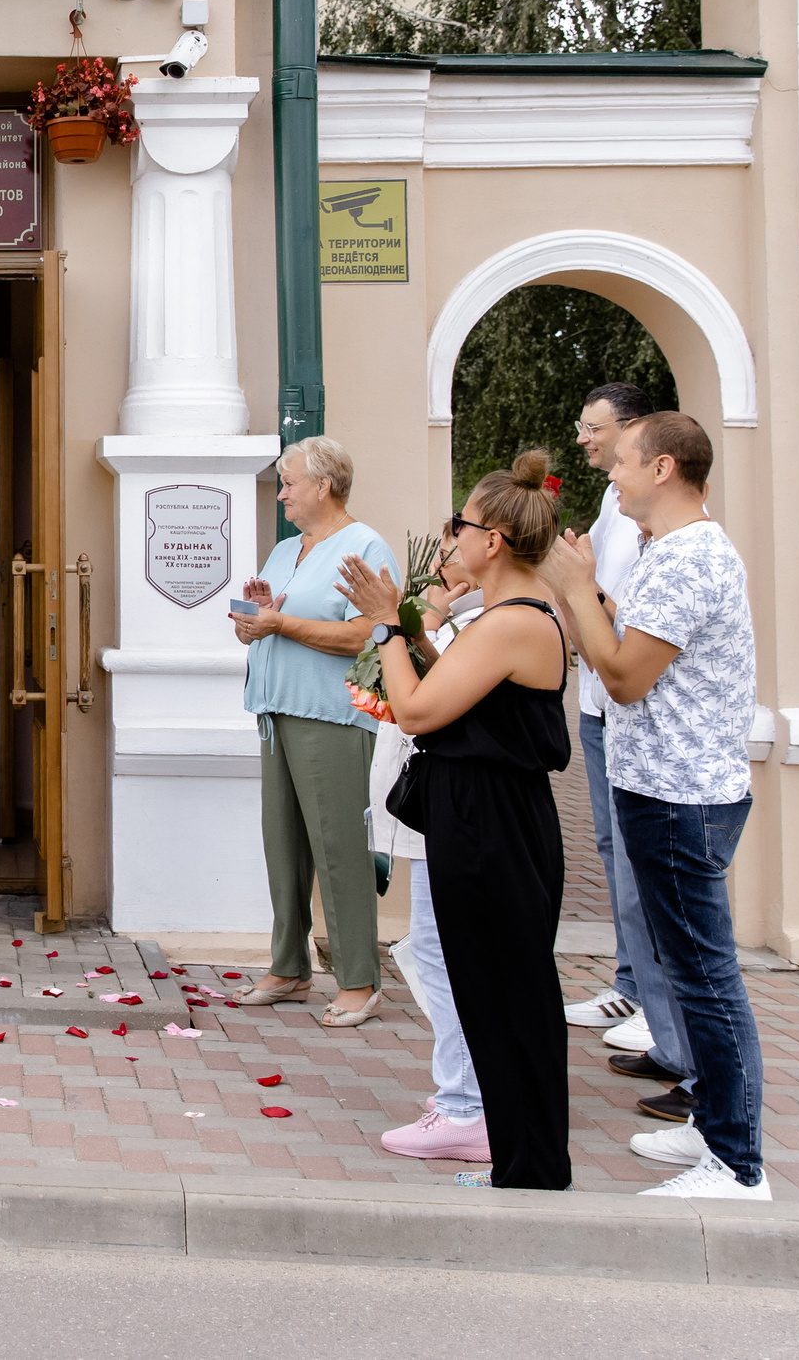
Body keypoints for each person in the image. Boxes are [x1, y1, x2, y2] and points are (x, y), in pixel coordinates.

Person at [542, 412, 771, 1201]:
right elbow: (616, 652)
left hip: (680, 795)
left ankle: (737, 1164)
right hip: (666, 788)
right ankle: (711, 1123)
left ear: (665, 467)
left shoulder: (688, 555)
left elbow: (625, 676)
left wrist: (577, 590)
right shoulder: (667, 551)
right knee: (688, 971)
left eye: (625, 461)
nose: (612, 472)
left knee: (705, 979)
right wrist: (582, 594)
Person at [338, 450, 573, 1192]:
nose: (452, 537)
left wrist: (387, 628)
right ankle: (521, 1160)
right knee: (492, 992)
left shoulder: (514, 620)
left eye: (459, 524)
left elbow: (416, 709)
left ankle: (534, 1168)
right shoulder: (505, 617)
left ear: (492, 540)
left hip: (493, 825)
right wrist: (414, 630)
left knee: (507, 995)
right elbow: (456, 688)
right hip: (486, 817)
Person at [564, 383, 698, 1127]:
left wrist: (579, 592)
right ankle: (653, 1015)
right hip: (613, 721)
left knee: (668, 909)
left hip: (665, 758)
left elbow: (625, 660)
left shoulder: (684, 554)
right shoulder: (625, 514)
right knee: (623, 873)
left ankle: (693, 1069)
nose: (594, 450)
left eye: (599, 433)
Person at [231, 436, 400, 1027]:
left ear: (324, 485)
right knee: (283, 847)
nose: (281, 494)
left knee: (338, 849)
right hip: (274, 711)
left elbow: (368, 633)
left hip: (331, 715)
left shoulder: (364, 546)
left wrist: (280, 623)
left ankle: (359, 980)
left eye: (289, 483)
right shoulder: (285, 550)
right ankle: (289, 968)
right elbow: (259, 624)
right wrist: (252, 618)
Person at [368, 550, 493, 1163]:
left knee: (444, 954)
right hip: (439, 805)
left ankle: (466, 1105)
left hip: (456, 804)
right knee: (432, 947)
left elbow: (423, 707)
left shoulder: (488, 622)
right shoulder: (466, 619)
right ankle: (465, 1093)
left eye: (453, 546)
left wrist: (400, 628)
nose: (442, 562)